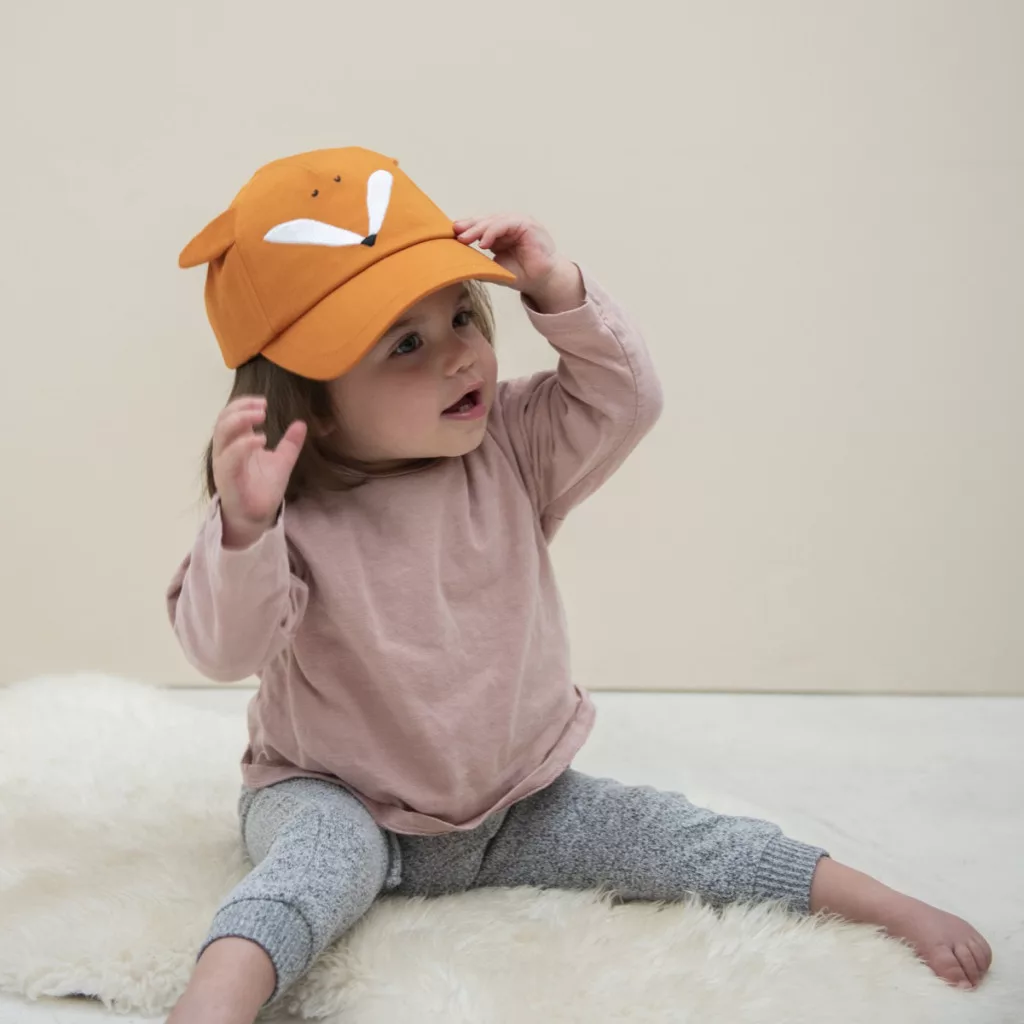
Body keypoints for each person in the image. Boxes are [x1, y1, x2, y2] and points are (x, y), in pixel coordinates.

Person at [164, 147, 991, 1023]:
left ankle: (872, 901)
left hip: (517, 800)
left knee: (668, 834)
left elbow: (623, 399)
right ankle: (214, 1001)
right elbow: (225, 649)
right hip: (342, 798)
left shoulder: (512, 444)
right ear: (313, 406)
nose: (461, 358)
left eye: (462, 317)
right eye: (406, 344)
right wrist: (244, 529)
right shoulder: (283, 518)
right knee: (316, 868)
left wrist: (557, 290)